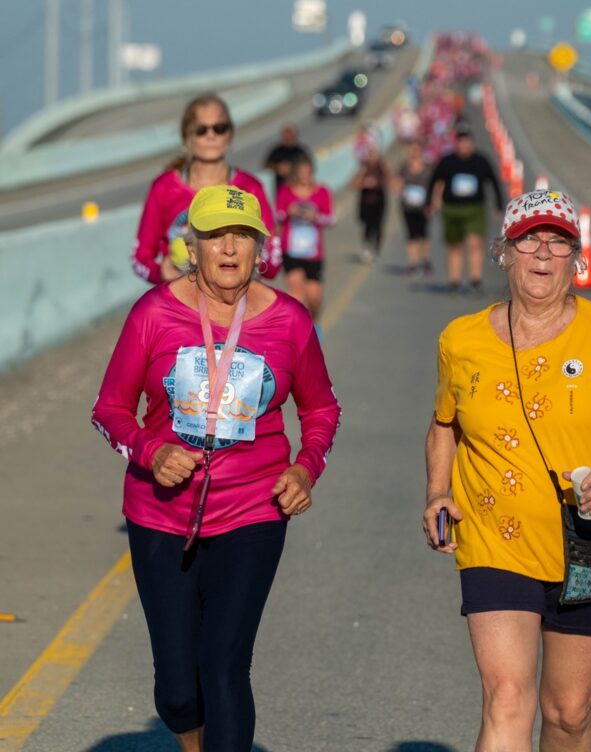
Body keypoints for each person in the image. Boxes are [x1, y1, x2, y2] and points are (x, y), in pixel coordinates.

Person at [93, 185, 340, 752]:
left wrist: (305, 469)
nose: (229, 249)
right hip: (160, 513)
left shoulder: (290, 321)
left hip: (254, 509)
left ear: (260, 248)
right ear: (192, 245)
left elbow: (322, 408)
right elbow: (109, 409)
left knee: (225, 666)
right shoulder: (153, 314)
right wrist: (151, 452)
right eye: (215, 237)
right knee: (179, 691)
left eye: (242, 237)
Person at [424, 189, 591, 751]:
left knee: (568, 713)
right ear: (504, 252)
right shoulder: (461, 339)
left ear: (577, 259)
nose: (544, 255)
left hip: (588, 542)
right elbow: (443, 426)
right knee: (507, 697)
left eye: (559, 242)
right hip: (493, 539)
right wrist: (436, 493)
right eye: (531, 241)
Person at [132, 93, 279, 285]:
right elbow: (139, 258)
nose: (211, 136)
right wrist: (160, 272)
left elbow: (274, 262)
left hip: (233, 306)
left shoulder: (249, 188)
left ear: (230, 135)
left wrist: (250, 261)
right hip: (180, 306)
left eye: (219, 128)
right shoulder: (163, 188)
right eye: (201, 130)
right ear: (187, 138)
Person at [427, 124, 503, 295]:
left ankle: (475, 280)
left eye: (467, 142)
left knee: (476, 243)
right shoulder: (447, 162)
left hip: (474, 209)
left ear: (472, 143)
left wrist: (499, 204)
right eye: (461, 142)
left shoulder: (481, 161)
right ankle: (454, 281)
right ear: (456, 144)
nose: (464, 145)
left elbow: (493, 182)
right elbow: (434, 180)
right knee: (455, 246)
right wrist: (429, 202)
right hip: (452, 209)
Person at [275, 153, 334, 320]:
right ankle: (299, 331)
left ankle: (313, 325)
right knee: (296, 294)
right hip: (291, 249)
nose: (304, 176)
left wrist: (316, 217)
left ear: (312, 172)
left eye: (307, 172)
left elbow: (330, 219)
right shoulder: (286, 191)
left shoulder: (322, 191)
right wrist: (288, 212)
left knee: (314, 298)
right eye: (300, 172)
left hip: (313, 252)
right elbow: (277, 215)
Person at [394, 140, 433, 277]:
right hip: (408, 206)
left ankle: (425, 261)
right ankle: (413, 263)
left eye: (416, 150)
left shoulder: (428, 168)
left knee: (423, 234)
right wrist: (400, 192)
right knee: (411, 234)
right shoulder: (404, 168)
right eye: (412, 150)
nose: (414, 153)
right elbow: (398, 182)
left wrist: (433, 202)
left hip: (424, 206)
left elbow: (434, 185)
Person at [351, 143, 391, 263]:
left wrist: (386, 171)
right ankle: (366, 247)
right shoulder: (364, 168)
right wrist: (365, 182)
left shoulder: (382, 168)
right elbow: (353, 184)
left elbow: (390, 180)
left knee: (379, 226)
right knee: (367, 225)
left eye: (375, 155)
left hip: (380, 200)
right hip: (366, 202)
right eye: (371, 155)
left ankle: (377, 250)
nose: (373, 158)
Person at [263, 123, 310, 188]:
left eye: (290, 135)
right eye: (286, 135)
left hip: (298, 187)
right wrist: (277, 168)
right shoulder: (277, 151)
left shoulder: (300, 151)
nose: (288, 137)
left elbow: (309, 167)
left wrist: (292, 169)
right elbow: (266, 165)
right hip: (281, 188)